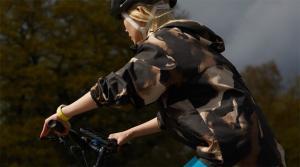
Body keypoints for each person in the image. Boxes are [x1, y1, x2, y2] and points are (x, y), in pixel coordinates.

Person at [40, 0, 286, 166]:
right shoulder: (191, 43)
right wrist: (129, 133)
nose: (123, 29)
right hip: (260, 154)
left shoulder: (166, 43)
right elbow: (195, 111)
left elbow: (120, 85)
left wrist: (64, 114)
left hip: (230, 155)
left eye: (122, 20)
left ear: (136, 15)